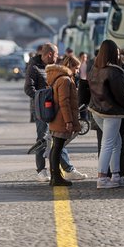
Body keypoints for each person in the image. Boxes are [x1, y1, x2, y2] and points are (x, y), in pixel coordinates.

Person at [24, 43, 86, 182]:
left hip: (55, 109)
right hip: (42, 109)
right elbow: (28, 88)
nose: (58, 57)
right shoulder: (34, 67)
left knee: (58, 138)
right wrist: (43, 97)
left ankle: (67, 169)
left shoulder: (54, 67)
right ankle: (41, 170)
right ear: (49, 54)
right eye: (56, 54)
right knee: (43, 139)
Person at [88, 39, 124, 189]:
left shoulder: (94, 68)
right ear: (114, 53)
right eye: (118, 52)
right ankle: (102, 178)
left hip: (96, 110)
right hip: (112, 112)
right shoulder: (114, 71)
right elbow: (121, 94)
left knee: (116, 142)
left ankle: (116, 175)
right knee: (108, 143)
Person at [46, 55, 83, 186]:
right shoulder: (65, 80)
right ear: (69, 66)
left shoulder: (57, 78)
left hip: (56, 117)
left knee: (56, 147)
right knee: (57, 148)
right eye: (76, 68)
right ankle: (56, 177)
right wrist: (69, 121)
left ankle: (55, 176)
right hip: (61, 118)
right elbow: (64, 102)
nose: (77, 71)